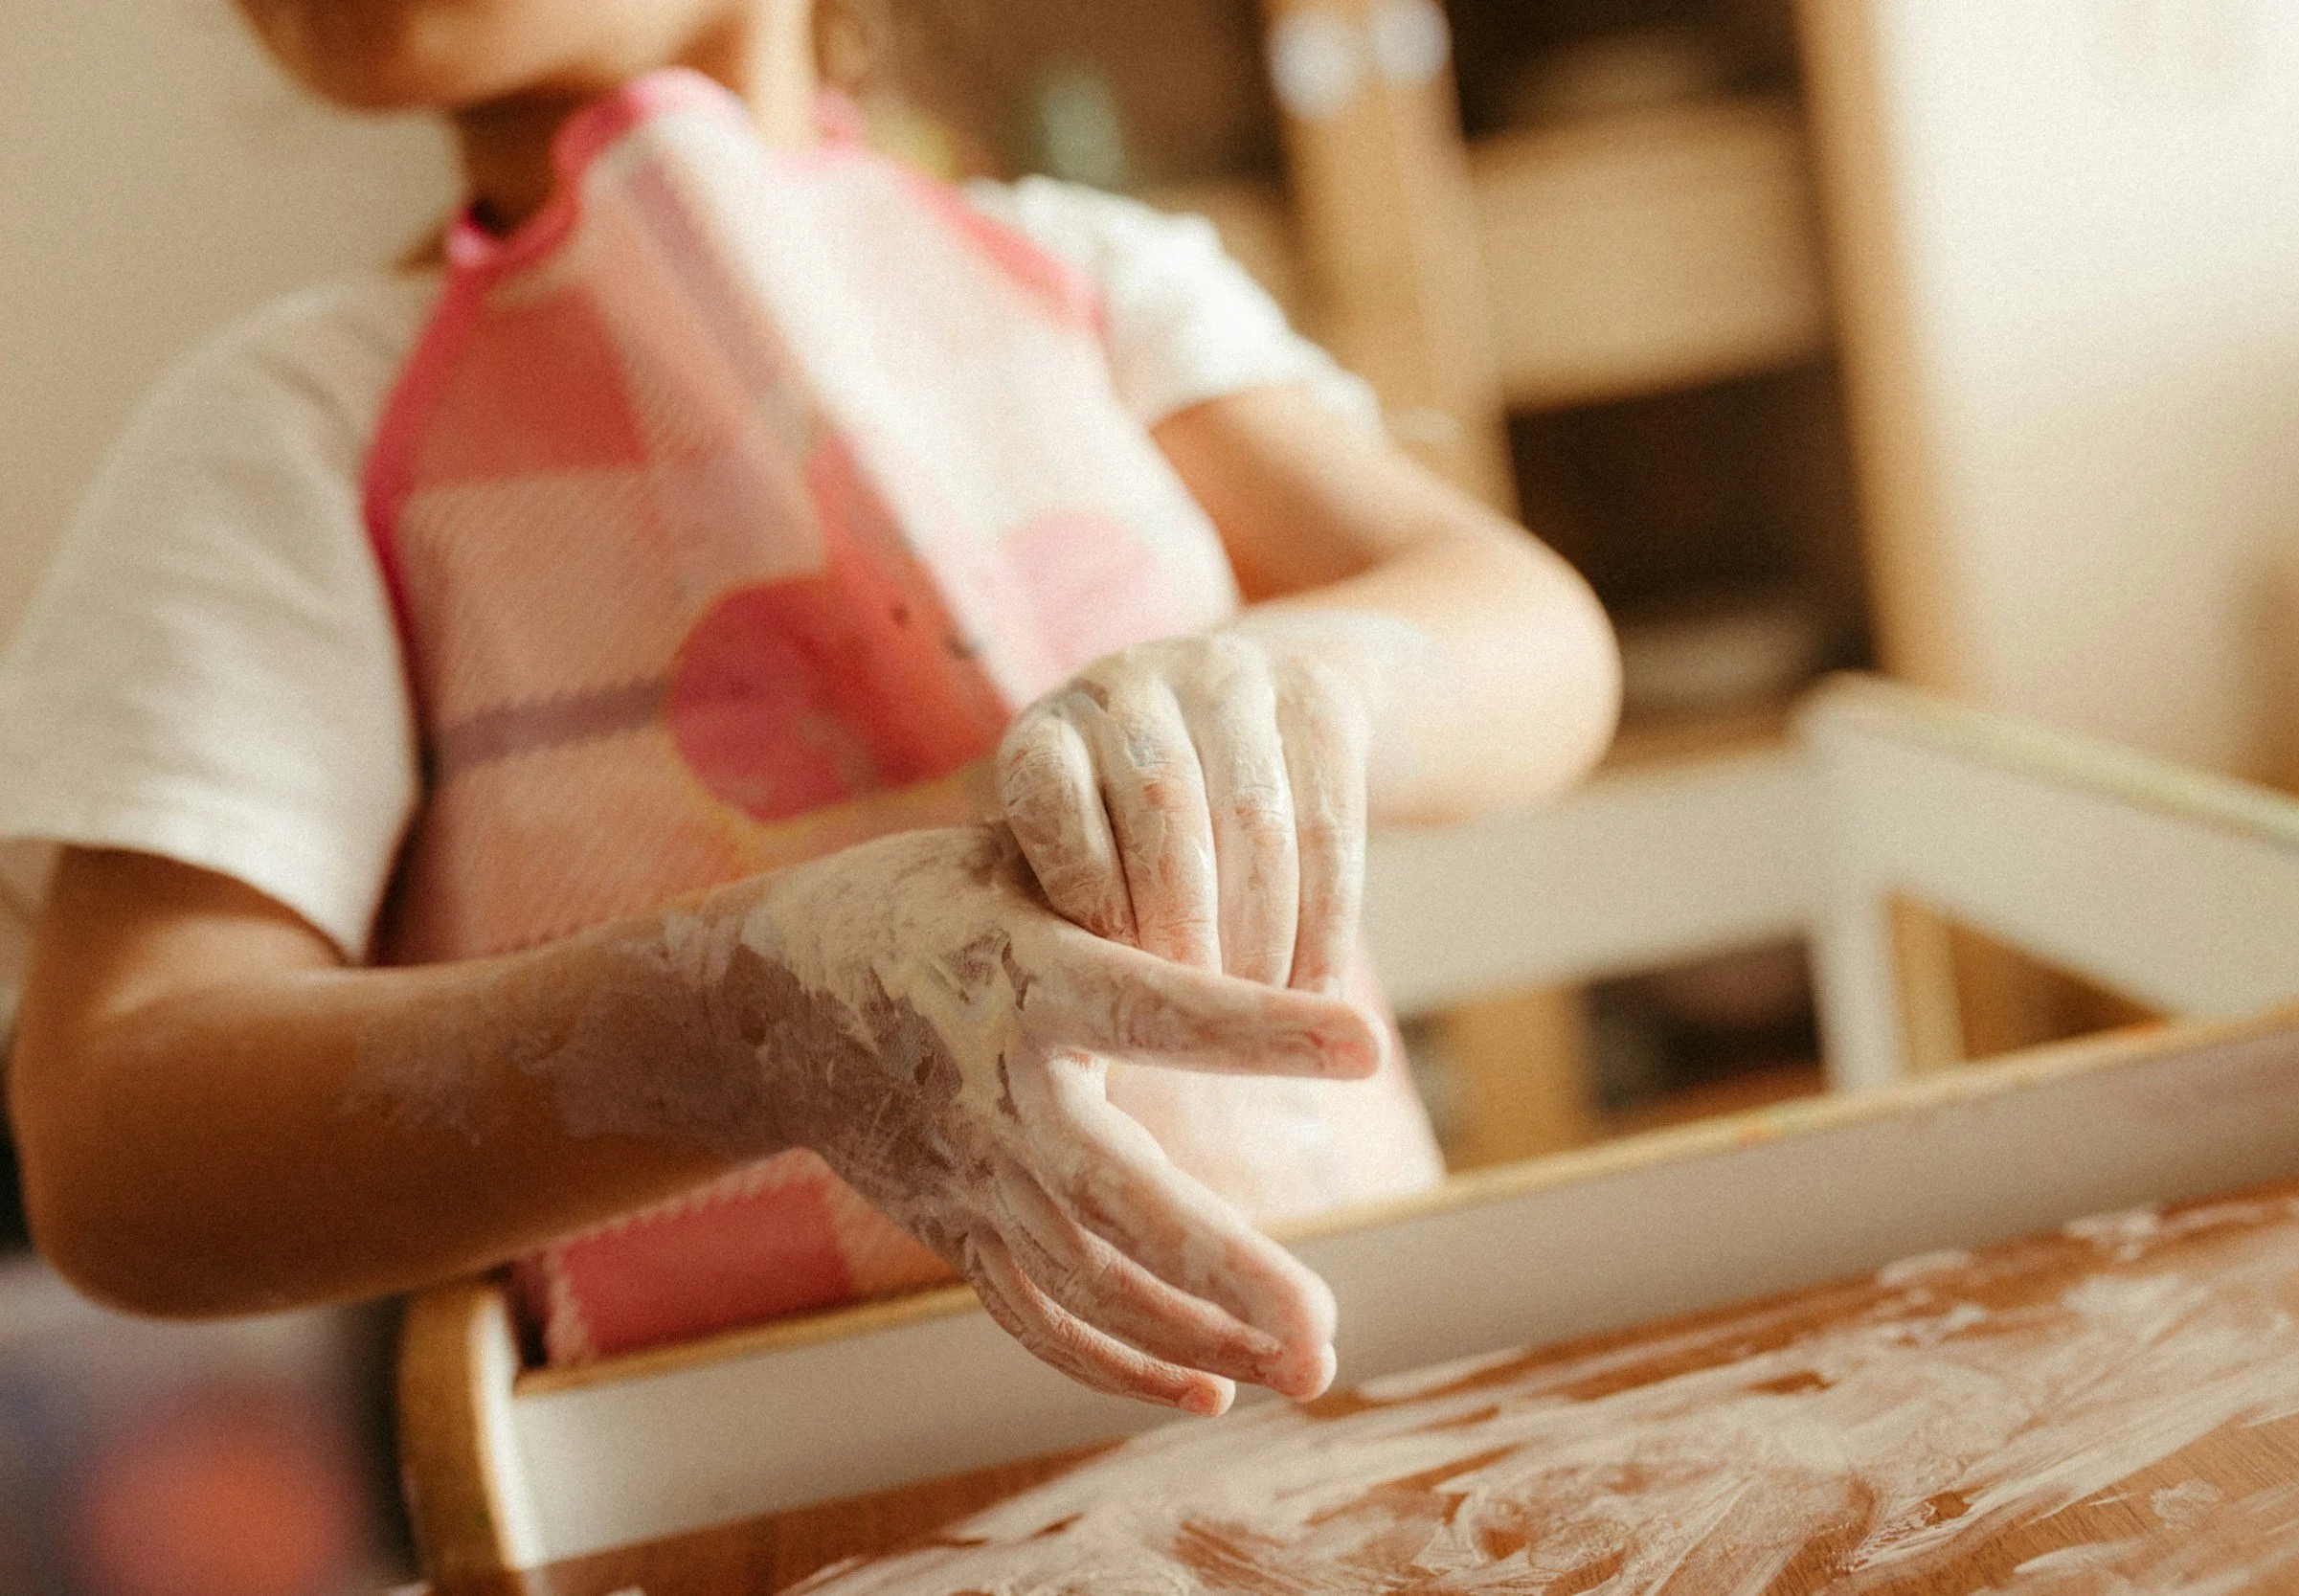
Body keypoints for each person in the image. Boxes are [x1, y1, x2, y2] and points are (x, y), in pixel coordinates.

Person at [1, 0, 1618, 1416]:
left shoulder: (1096, 285)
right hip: (748, 1500)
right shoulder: (284, 435)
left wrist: (1304, 678)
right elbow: (120, 1143)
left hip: (1343, 1412)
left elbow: (1536, 634)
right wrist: (733, 1024)